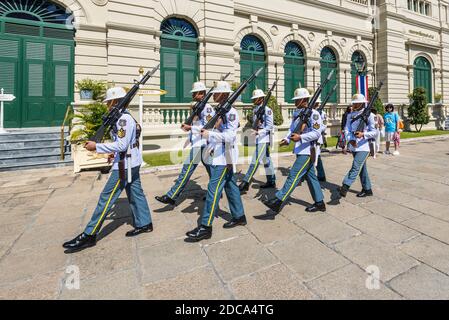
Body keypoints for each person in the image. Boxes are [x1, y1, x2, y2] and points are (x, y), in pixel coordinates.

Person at [63, 87, 153, 253]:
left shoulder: (123, 120)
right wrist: (113, 153)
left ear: (114, 102)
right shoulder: (121, 118)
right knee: (135, 192)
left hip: (125, 165)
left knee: (106, 198)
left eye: (108, 102)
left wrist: (96, 146)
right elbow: (122, 144)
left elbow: (122, 144)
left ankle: (90, 234)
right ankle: (144, 223)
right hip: (130, 161)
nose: (107, 106)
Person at [185, 81, 247, 242]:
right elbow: (210, 128)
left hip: (225, 156)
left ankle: (206, 227)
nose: (213, 95)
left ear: (224, 94)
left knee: (213, 189)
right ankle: (239, 216)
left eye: (216, 93)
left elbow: (230, 136)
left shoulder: (230, 112)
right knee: (230, 185)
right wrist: (192, 128)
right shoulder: (220, 110)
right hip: (220, 154)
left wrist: (209, 136)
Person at [262, 87, 325, 214]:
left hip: (308, 151)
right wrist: (287, 139)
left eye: (297, 100)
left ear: (304, 100)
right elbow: (292, 129)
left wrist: (300, 137)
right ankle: (320, 203)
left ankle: (278, 200)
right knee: (311, 176)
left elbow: (317, 133)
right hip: (300, 149)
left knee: (293, 175)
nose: (295, 102)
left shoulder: (314, 114)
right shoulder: (297, 113)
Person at [155, 81, 215, 206]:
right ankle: (214, 193)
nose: (193, 95)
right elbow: (197, 124)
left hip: (203, 144)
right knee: (213, 172)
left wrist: (190, 128)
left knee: (187, 169)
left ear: (202, 93)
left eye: (195, 93)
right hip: (198, 142)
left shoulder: (207, 108)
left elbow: (208, 127)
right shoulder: (198, 106)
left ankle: (172, 195)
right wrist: (190, 137)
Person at [338, 93, 377, 198]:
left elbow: (375, 132)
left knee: (356, 166)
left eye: (357, 103)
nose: (354, 105)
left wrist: (363, 134)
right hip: (354, 145)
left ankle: (345, 186)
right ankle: (367, 189)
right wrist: (350, 139)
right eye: (354, 103)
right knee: (361, 168)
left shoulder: (370, 115)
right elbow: (347, 129)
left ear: (362, 103)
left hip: (365, 146)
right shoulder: (350, 115)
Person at [238, 89, 275, 194]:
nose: (254, 100)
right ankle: (271, 181)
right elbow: (255, 124)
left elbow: (270, 127)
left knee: (255, 161)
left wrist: (260, 132)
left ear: (261, 99)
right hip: (258, 138)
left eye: (255, 98)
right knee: (267, 161)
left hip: (264, 138)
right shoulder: (255, 110)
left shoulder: (267, 110)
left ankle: (246, 182)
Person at [314, 99, 327, 182]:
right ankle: (321, 175)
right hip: (310, 138)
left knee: (317, 157)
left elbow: (324, 125)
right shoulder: (310, 112)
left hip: (318, 138)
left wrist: (316, 131)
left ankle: (321, 175)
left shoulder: (323, 113)